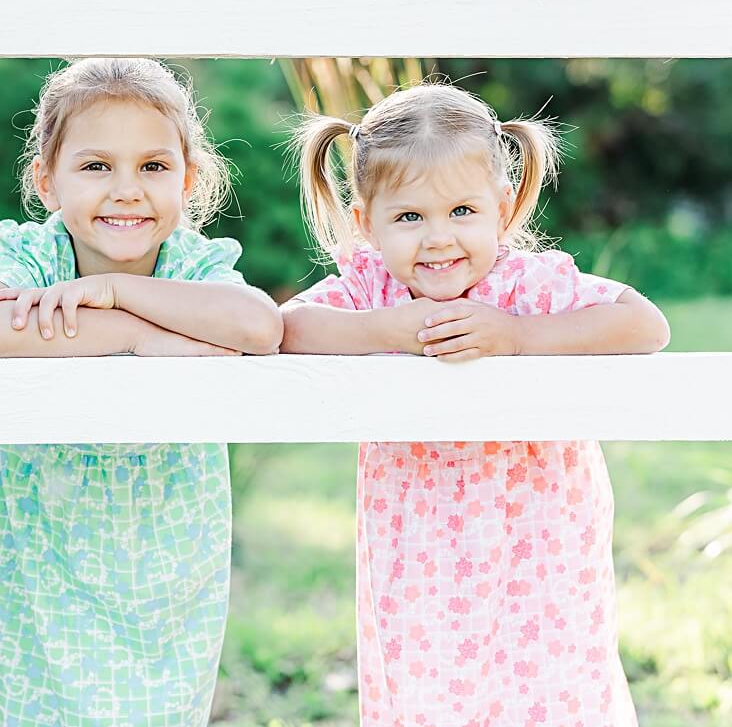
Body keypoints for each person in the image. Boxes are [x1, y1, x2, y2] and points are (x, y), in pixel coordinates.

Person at [281, 81, 670, 727]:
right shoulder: (373, 289)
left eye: (462, 210)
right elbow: (286, 328)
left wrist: (520, 336)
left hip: (540, 540)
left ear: (503, 205)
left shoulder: (528, 285)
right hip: (420, 546)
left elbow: (643, 324)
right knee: (431, 691)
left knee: (551, 688)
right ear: (365, 223)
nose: (438, 238)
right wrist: (387, 329)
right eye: (409, 217)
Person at [0, 57, 282, 727]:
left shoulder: (197, 265)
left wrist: (116, 290)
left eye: (154, 167)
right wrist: (134, 332)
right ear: (47, 180)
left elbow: (261, 325)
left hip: (164, 557)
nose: (127, 190)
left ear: (187, 179)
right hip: (35, 557)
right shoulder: (32, 257)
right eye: (97, 166)